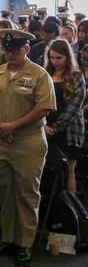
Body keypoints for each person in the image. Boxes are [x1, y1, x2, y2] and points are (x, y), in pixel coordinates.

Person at [0, 29, 55, 267]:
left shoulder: (39, 75)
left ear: (26, 49)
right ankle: (8, 238)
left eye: (15, 50)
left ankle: (25, 244)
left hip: (27, 141)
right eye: (7, 49)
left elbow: (43, 108)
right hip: (2, 140)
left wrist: (13, 126)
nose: (10, 53)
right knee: (5, 190)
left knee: (27, 193)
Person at [43, 39, 85, 193]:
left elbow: (74, 108)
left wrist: (54, 129)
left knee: (68, 172)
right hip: (45, 128)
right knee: (47, 171)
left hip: (68, 132)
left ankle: (70, 210)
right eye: (52, 57)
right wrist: (43, 126)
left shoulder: (76, 76)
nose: (55, 61)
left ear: (67, 57)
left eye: (58, 58)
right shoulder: (46, 73)